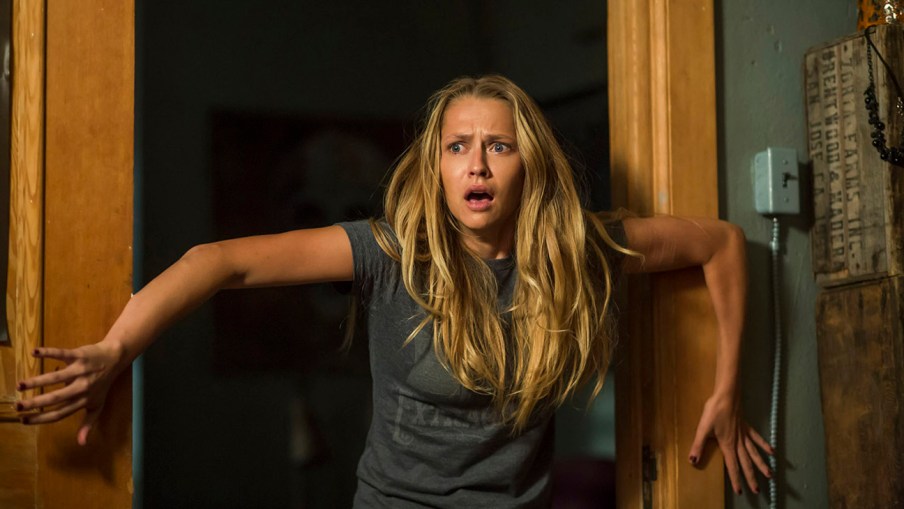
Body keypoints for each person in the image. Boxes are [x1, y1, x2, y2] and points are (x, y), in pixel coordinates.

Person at [16, 75, 772, 506]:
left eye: (499, 146)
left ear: (530, 165)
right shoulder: (389, 253)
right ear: (437, 167)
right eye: (457, 146)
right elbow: (219, 262)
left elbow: (722, 245)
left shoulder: (582, 249)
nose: (477, 165)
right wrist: (116, 348)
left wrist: (727, 391)